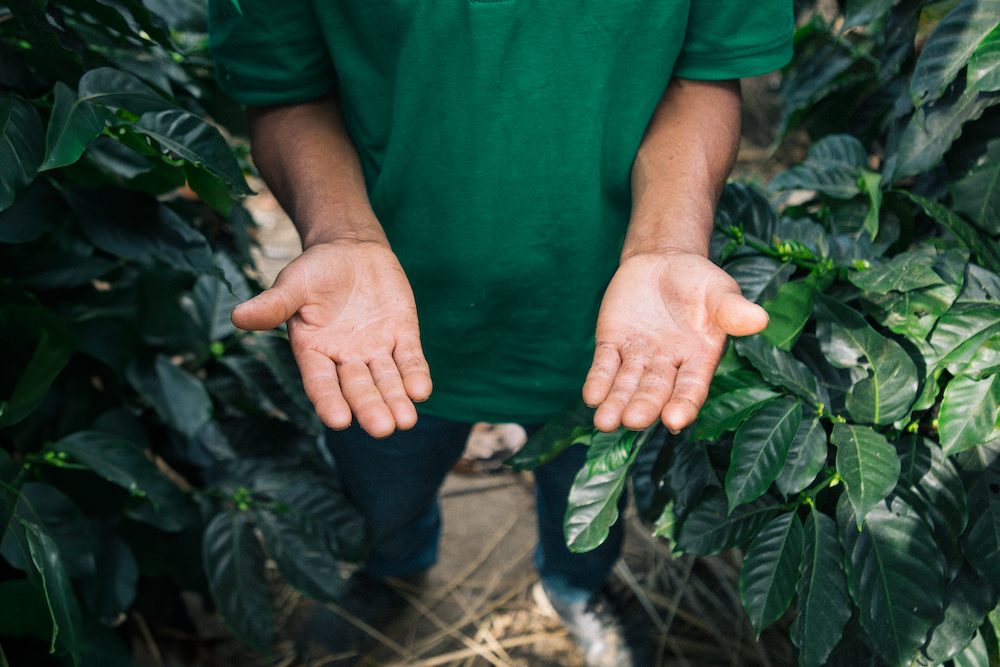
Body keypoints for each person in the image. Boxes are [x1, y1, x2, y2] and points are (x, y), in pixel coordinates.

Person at [208, 3, 793, 665]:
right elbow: (286, 88)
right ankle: (393, 565)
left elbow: (704, 73)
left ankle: (576, 587)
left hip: (612, 316)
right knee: (380, 493)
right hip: (383, 325)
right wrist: (339, 231)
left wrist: (669, 240)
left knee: (588, 507)